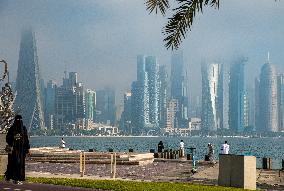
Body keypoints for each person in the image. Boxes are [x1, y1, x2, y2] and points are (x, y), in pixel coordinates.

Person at [5, 115, 30, 185]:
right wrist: (13, 139)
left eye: (20, 119)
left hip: (21, 151)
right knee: (14, 164)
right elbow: (7, 138)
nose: (19, 121)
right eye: (18, 119)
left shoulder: (24, 128)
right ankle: (12, 178)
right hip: (13, 151)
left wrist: (27, 149)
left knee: (19, 164)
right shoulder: (12, 128)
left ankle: (16, 178)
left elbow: (26, 139)